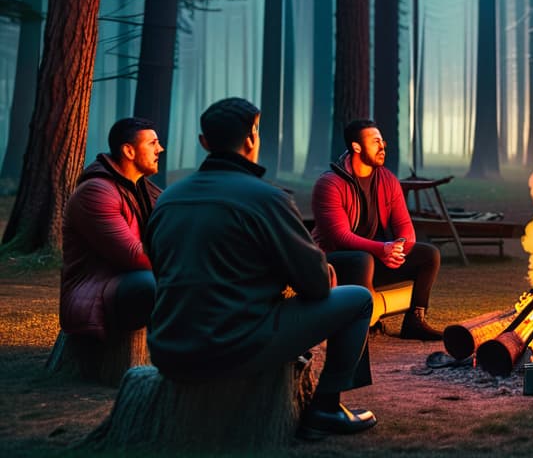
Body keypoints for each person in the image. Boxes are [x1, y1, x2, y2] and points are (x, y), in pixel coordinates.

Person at [146, 98, 377, 440]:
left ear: (204, 142)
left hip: (168, 349)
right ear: (252, 139)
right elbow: (315, 286)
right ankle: (326, 408)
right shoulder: (266, 198)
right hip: (232, 347)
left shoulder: (168, 198)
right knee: (358, 298)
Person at [312, 119, 443, 340]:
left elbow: (405, 227)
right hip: (334, 263)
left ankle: (414, 321)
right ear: (356, 147)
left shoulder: (387, 180)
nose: (382, 146)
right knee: (364, 258)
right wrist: (382, 249)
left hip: (374, 258)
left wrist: (398, 248)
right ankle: (359, 326)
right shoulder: (330, 185)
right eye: (375, 142)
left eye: (382, 141)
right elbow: (340, 236)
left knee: (429, 255)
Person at [60, 118, 164, 342]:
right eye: (153, 143)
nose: (160, 149)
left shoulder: (148, 190)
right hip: (101, 290)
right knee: (155, 285)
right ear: (128, 150)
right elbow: (133, 255)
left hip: (135, 278)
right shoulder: (96, 193)